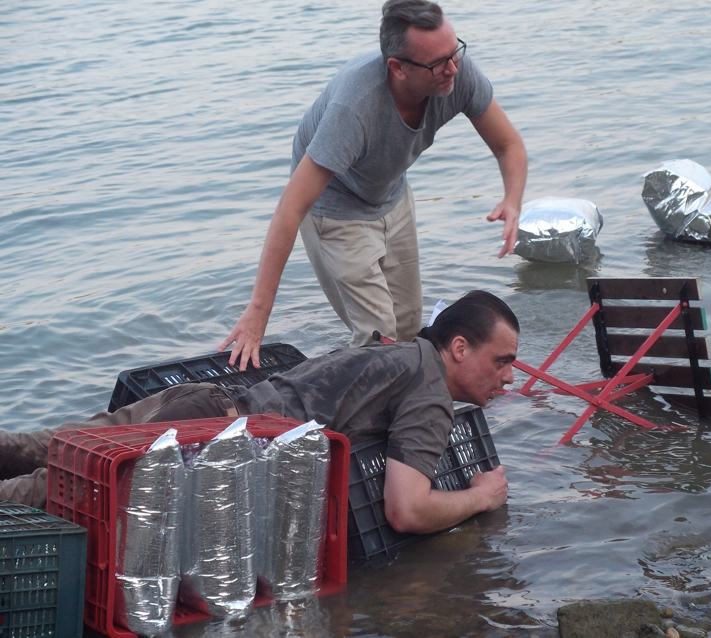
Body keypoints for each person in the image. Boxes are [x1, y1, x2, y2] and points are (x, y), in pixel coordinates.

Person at [0, 290, 517, 535]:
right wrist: (481, 496)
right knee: (49, 490)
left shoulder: (398, 352)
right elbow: (406, 511)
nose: (510, 377)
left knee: (42, 448)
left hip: (205, 399)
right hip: (211, 436)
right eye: (502, 361)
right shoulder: (429, 390)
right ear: (459, 348)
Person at [219, 0, 527, 369]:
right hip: (335, 207)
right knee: (378, 336)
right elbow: (291, 206)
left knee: (408, 329)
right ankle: (362, 398)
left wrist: (512, 199)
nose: (453, 69)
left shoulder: (456, 71)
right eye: (437, 63)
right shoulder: (355, 109)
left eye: (455, 52)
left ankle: (404, 392)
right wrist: (258, 312)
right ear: (397, 67)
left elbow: (509, 145)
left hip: (390, 194)